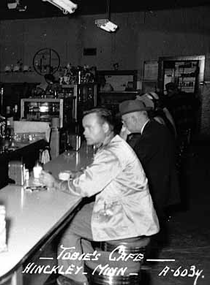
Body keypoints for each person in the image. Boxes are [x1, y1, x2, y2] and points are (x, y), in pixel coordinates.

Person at [40, 107, 159, 285]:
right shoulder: (114, 144)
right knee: (77, 217)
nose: (84, 132)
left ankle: (73, 279)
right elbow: (103, 173)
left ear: (105, 128)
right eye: (83, 128)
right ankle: (86, 267)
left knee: (66, 227)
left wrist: (54, 183)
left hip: (127, 218)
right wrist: (81, 173)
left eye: (89, 127)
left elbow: (84, 189)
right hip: (130, 211)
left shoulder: (111, 153)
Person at [119, 100, 180, 244]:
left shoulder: (150, 136)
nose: (123, 126)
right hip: (160, 185)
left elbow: (128, 164)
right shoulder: (155, 129)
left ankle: (128, 251)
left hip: (154, 191)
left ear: (133, 118)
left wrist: (122, 139)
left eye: (124, 121)